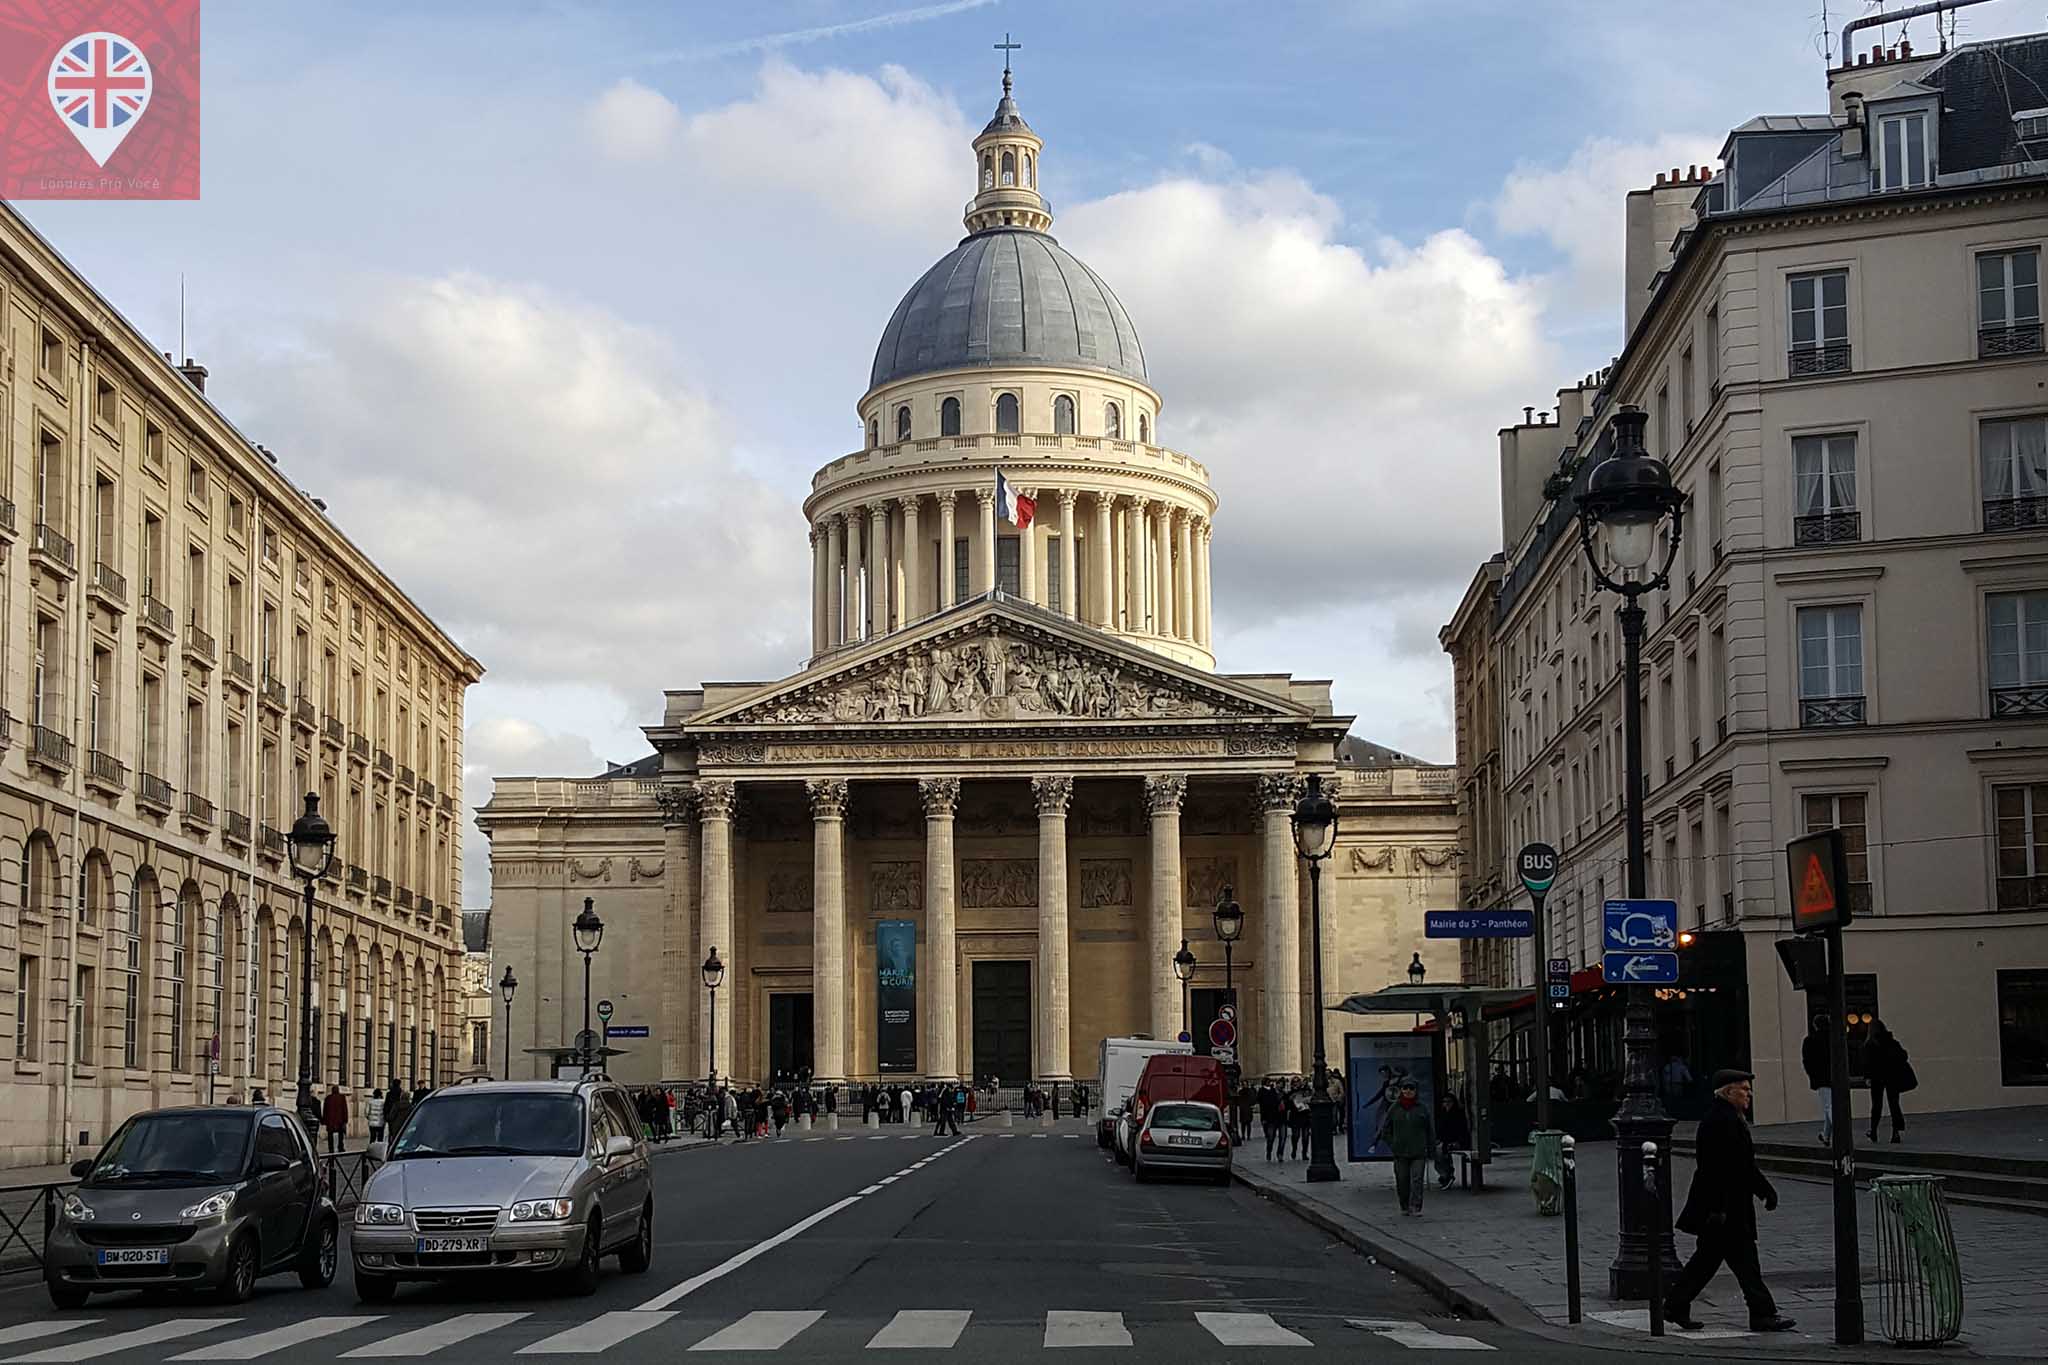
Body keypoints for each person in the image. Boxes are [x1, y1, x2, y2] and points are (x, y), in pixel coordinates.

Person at [1664, 1069, 1795, 1333]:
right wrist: (1718, 1208)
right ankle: (1762, 1314)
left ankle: (1676, 1306)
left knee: (1709, 1263)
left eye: (1749, 1089)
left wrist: (1764, 1190)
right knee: (1742, 1263)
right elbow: (1716, 1169)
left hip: (1726, 1208)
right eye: (1743, 1089)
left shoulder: (1728, 1117)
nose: (1749, 1094)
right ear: (1727, 1092)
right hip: (1725, 1209)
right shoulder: (1720, 1121)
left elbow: (1743, 1164)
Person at [1376, 1078, 1434, 1216]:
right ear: (1401, 1090)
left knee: (1417, 1179)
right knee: (1402, 1179)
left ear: (1415, 1091)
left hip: (1418, 1151)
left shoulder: (1422, 1108)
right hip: (1400, 1152)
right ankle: (1404, 1204)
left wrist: (1430, 1148)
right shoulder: (1395, 1108)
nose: (1408, 1091)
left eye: (1411, 1089)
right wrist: (1393, 1143)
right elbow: (1385, 1130)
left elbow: (1429, 1130)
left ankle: (1416, 1206)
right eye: (1405, 1088)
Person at [1864, 1020, 1912, 1143]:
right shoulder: (1891, 1042)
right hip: (1892, 1076)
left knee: (1876, 1105)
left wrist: (1867, 1077)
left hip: (1877, 1078)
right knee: (1894, 1104)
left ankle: (1873, 1131)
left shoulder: (1870, 1044)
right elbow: (1903, 1055)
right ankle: (1895, 1132)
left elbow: (1867, 1063)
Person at [1801, 1015, 1833, 1147]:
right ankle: (1826, 1135)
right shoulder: (1834, 1038)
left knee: (1828, 1106)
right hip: (1834, 1075)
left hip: (1821, 1077)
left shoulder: (1810, 1040)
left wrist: (1812, 1075)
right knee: (1830, 1106)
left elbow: (1807, 1061)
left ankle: (1838, 1132)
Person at [1434, 1092, 1471, 1190]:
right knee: (1437, 1151)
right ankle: (1445, 1174)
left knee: (1440, 1151)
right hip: (1445, 1141)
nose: (1446, 1104)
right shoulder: (1442, 1115)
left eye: (1449, 1102)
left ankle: (1447, 1175)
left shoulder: (1458, 1114)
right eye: (1444, 1102)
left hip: (1457, 1141)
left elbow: (1461, 1131)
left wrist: (1456, 1141)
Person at [1259, 1081, 1283, 1161]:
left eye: (1282, 1084)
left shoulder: (1284, 1094)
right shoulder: (1270, 1094)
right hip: (1271, 1119)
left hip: (1282, 1119)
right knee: (1270, 1138)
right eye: (1279, 1084)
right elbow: (1264, 1107)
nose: (1280, 1085)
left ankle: (1280, 1154)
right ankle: (1269, 1151)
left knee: (1282, 1138)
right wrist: (1263, 1118)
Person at [322, 1084, 351, 1153]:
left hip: (330, 1121)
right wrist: (345, 1119)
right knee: (340, 1135)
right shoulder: (342, 1098)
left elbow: (325, 1110)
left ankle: (331, 1149)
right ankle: (340, 1147)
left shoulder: (328, 1098)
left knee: (330, 1135)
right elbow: (345, 1109)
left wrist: (324, 1120)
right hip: (340, 1121)